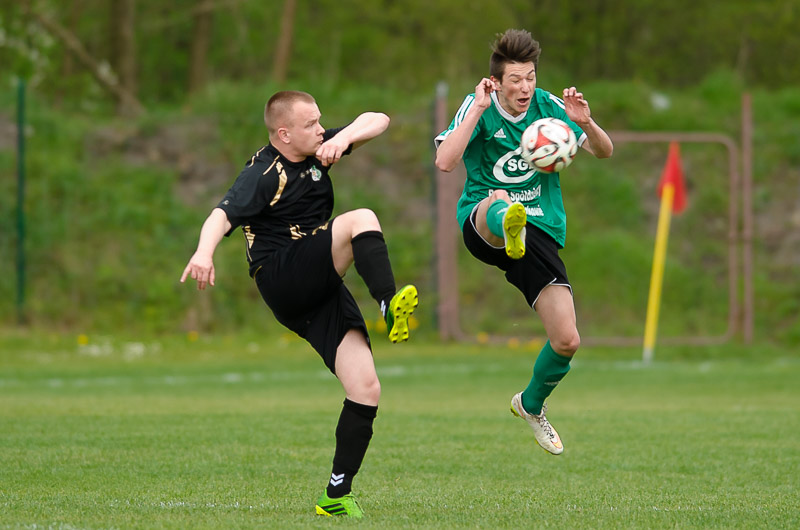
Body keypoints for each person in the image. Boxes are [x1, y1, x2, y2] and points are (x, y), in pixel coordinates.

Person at [180, 90, 418, 518]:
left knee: (366, 388)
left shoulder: (319, 147)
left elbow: (378, 117)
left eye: (321, 122)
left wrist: (343, 140)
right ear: (284, 134)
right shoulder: (264, 173)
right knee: (360, 219)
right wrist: (203, 252)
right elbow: (222, 214)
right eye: (311, 124)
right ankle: (387, 303)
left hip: (316, 286)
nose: (320, 128)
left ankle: (336, 496)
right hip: (282, 275)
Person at [434, 29, 613, 455]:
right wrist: (477, 111)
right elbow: (444, 162)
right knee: (497, 202)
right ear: (496, 81)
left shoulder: (550, 107)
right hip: (484, 223)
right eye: (515, 79)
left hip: (540, 235)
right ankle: (507, 218)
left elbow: (605, 151)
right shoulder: (478, 105)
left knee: (568, 340)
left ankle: (530, 405)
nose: (524, 87)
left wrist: (585, 121)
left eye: (530, 77)